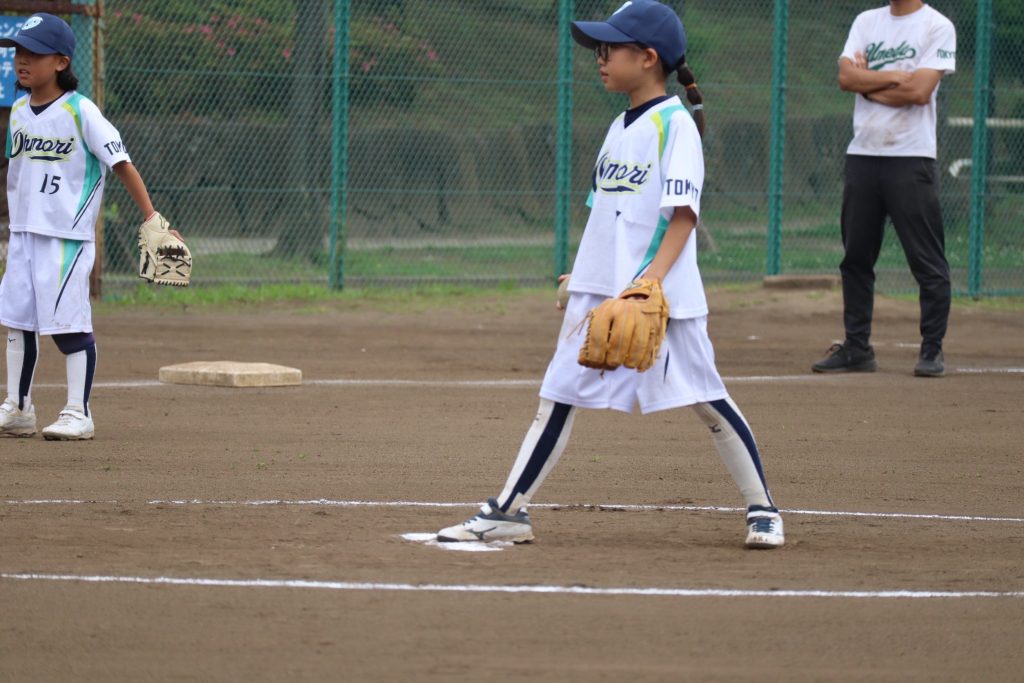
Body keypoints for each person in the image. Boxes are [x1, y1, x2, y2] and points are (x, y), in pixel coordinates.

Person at [436, 0, 784, 549]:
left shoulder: (675, 126)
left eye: (610, 48)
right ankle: (509, 511)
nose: (599, 58)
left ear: (648, 58)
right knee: (557, 398)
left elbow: (682, 217)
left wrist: (649, 283)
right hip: (600, 291)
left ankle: (763, 507)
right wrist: (581, 274)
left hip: (658, 296)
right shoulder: (618, 126)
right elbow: (607, 212)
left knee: (706, 399)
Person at [0, 14, 178, 440]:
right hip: (23, 234)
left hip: (66, 239)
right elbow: (17, 174)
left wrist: (152, 218)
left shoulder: (81, 111)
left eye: (34, 53)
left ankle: (78, 412)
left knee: (69, 325)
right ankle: (19, 407)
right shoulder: (19, 111)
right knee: (17, 322)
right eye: (19, 51)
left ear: (61, 61)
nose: (22, 60)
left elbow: (122, 164)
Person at [812, 0, 956, 377]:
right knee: (856, 258)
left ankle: (932, 349)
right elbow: (847, 79)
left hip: (912, 157)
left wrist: (869, 84)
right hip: (863, 154)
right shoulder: (866, 21)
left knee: (926, 260)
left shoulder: (937, 26)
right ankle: (857, 348)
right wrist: (895, 78)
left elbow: (920, 91)